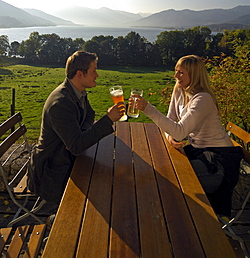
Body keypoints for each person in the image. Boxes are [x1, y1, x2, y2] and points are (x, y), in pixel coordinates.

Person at [131, 55, 243, 218]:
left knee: (168, 178)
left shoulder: (203, 99)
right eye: (176, 71)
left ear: (195, 75)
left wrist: (148, 108)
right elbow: (171, 121)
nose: (176, 76)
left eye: (181, 72)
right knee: (160, 170)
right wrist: (170, 136)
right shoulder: (180, 90)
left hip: (218, 163)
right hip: (199, 153)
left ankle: (183, 224)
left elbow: (180, 132)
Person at [28, 51, 125, 206]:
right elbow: (77, 146)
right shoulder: (60, 103)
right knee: (104, 187)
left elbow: (89, 114)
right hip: (52, 173)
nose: (97, 75)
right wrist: (108, 120)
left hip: (67, 161)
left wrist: (82, 133)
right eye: (94, 71)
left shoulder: (77, 91)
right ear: (80, 74)